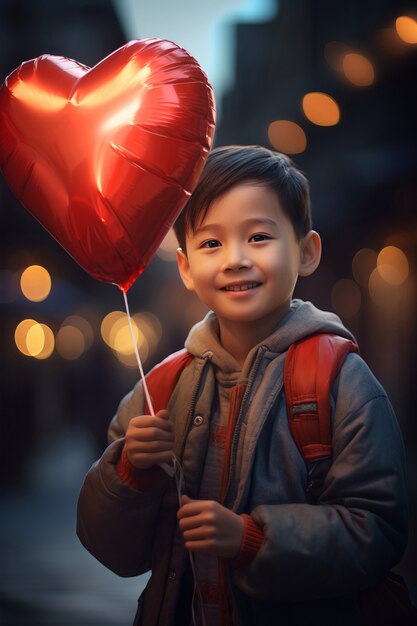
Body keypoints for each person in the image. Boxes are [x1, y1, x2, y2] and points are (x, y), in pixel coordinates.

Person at [77, 145, 409, 626]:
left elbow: (378, 530)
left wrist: (253, 540)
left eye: (257, 237)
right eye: (211, 244)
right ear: (187, 267)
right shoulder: (164, 387)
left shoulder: (339, 380)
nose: (234, 260)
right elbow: (113, 550)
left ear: (306, 251)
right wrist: (129, 469)